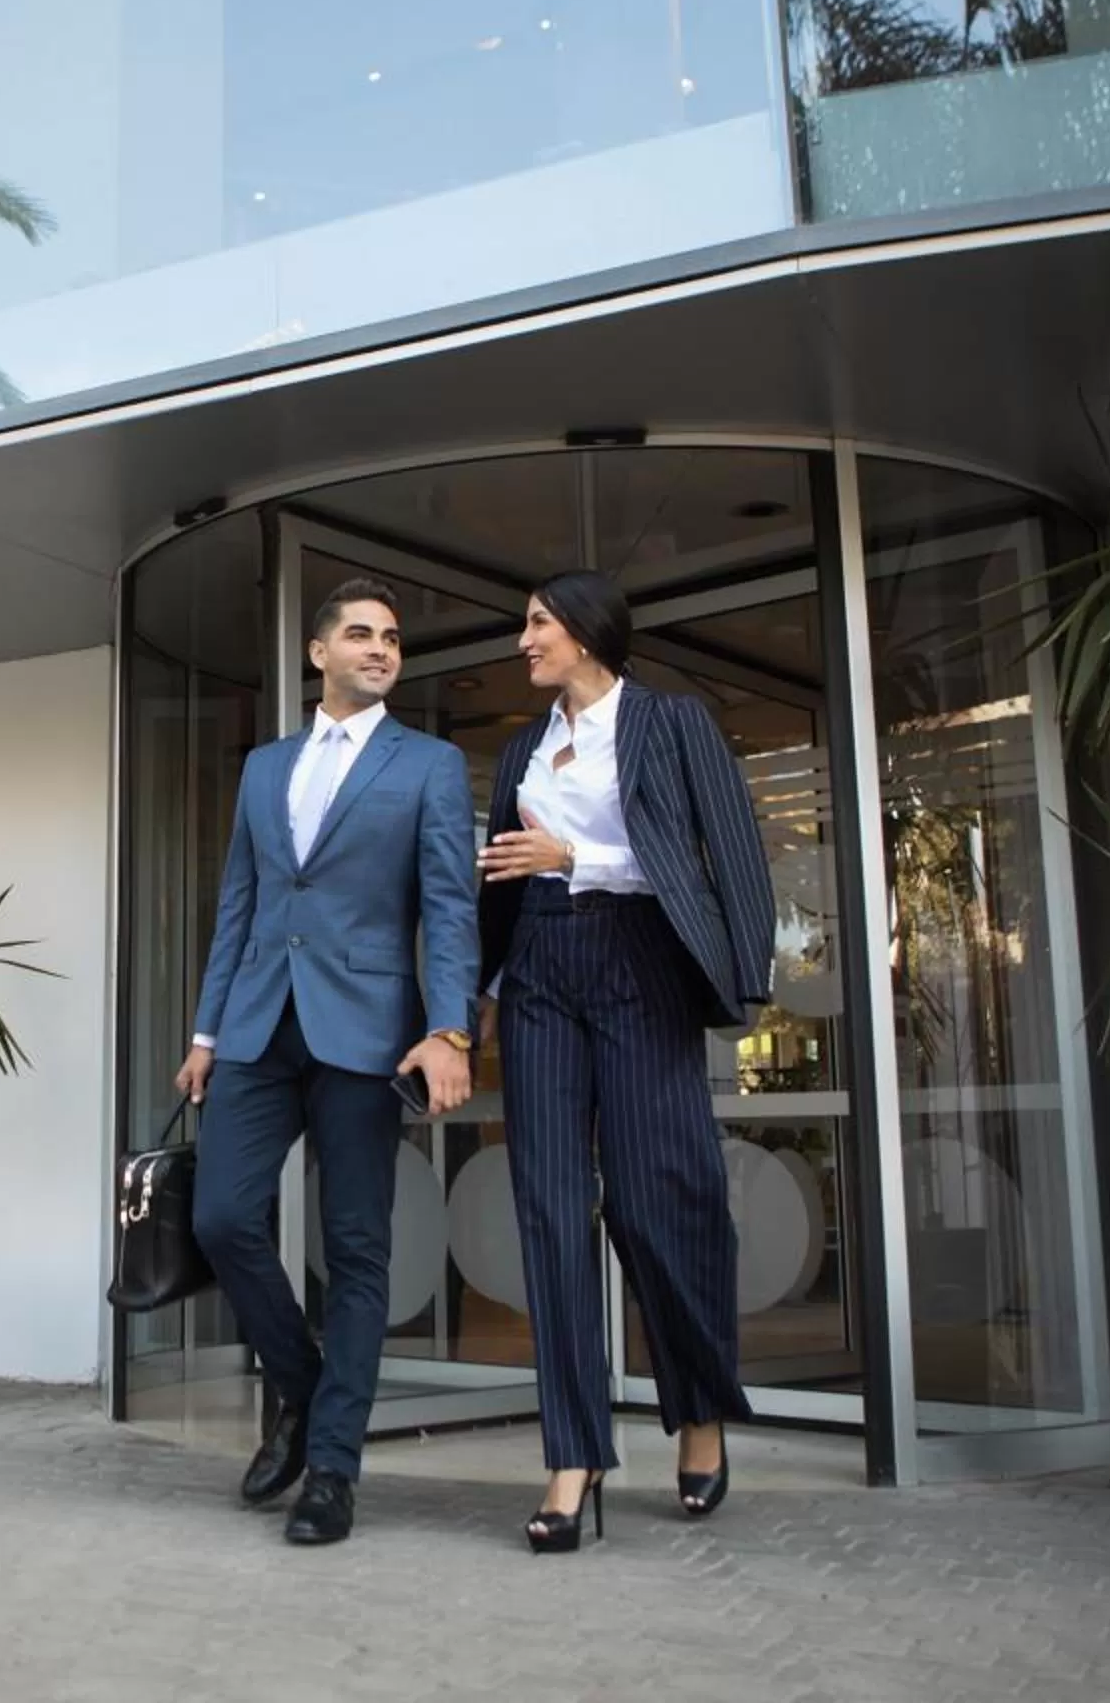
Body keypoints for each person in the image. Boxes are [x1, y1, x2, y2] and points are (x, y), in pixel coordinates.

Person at [476, 568, 774, 1553]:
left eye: (538, 623)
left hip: (641, 961)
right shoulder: (522, 747)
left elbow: (727, 853)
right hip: (540, 969)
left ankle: (700, 1409)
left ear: (587, 631)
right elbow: (501, 885)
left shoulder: (672, 723)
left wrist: (746, 976)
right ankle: (574, 1453)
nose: (524, 640)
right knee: (551, 1211)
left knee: (660, 1201)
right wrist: (478, 995)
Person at [177, 577, 479, 1547]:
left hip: (368, 1032)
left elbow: (450, 906)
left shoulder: (428, 764)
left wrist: (451, 1028)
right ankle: (307, 1396)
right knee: (222, 1216)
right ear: (319, 653)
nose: (381, 648)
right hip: (259, 1026)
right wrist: (206, 1033)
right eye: (360, 634)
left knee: (356, 1250)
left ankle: (334, 1469)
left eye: (391, 637)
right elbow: (241, 902)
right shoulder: (266, 767)